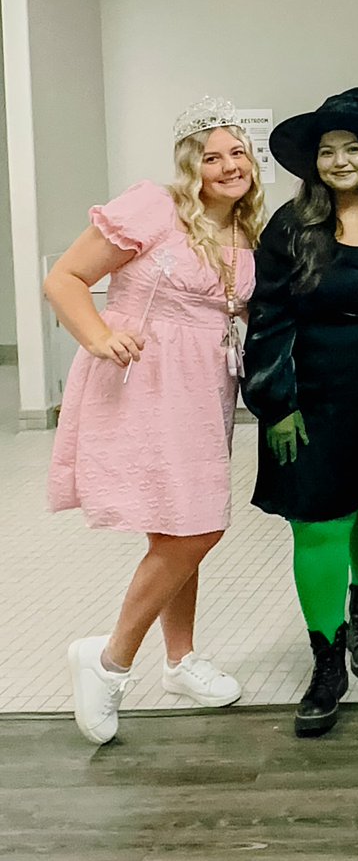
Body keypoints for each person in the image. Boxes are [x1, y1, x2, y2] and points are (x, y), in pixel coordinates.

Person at [47, 98, 264, 744]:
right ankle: (110, 659)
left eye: (237, 152)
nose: (229, 165)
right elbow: (64, 277)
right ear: (189, 166)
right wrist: (95, 335)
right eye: (212, 156)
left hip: (207, 387)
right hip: (146, 378)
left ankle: (180, 659)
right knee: (195, 525)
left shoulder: (245, 230)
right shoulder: (155, 205)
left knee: (178, 522)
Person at [242, 87, 358, 738]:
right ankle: (327, 662)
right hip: (309, 396)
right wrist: (275, 400)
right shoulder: (290, 226)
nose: (339, 160)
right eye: (327, 150)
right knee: (318, 524)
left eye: (352, 148)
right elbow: (266, 315)